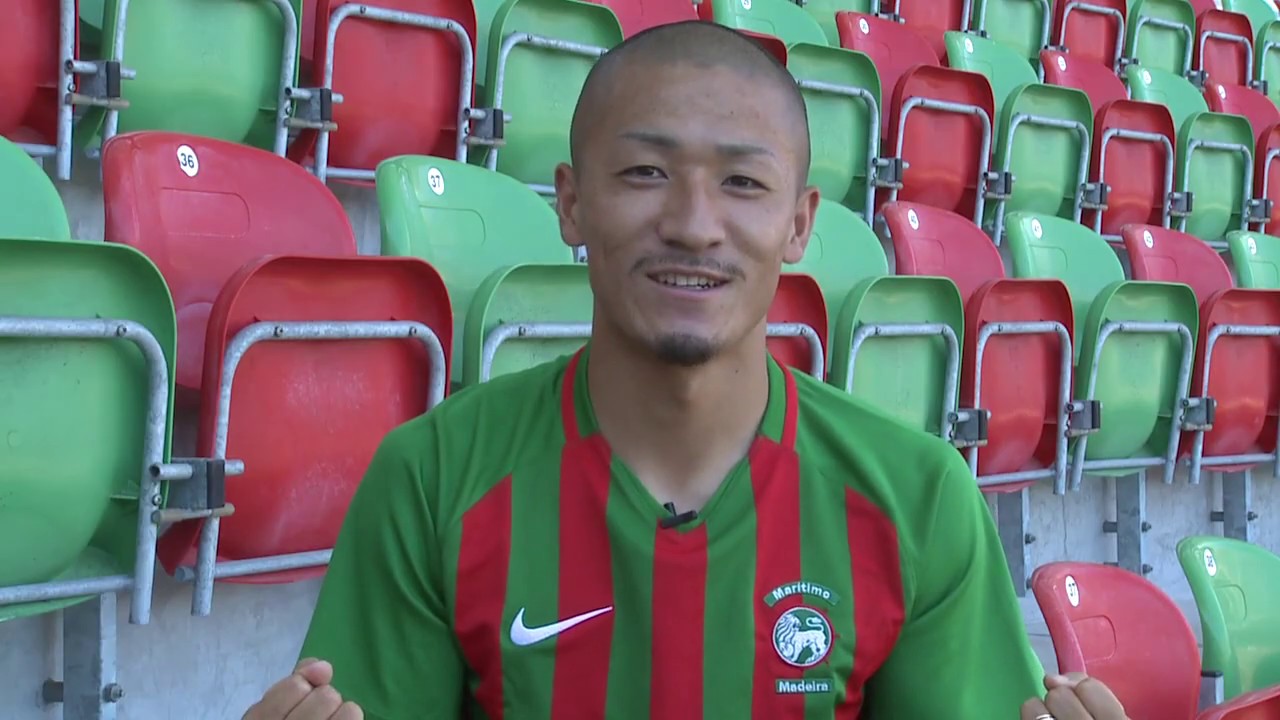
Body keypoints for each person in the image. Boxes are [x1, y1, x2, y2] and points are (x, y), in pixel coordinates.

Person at [243, 20, 1130, 720]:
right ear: (571, 203)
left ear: (799, 223)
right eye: (644, 172)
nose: (694, 225)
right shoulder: (434, 479)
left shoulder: (918, 498)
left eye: (743, 183)